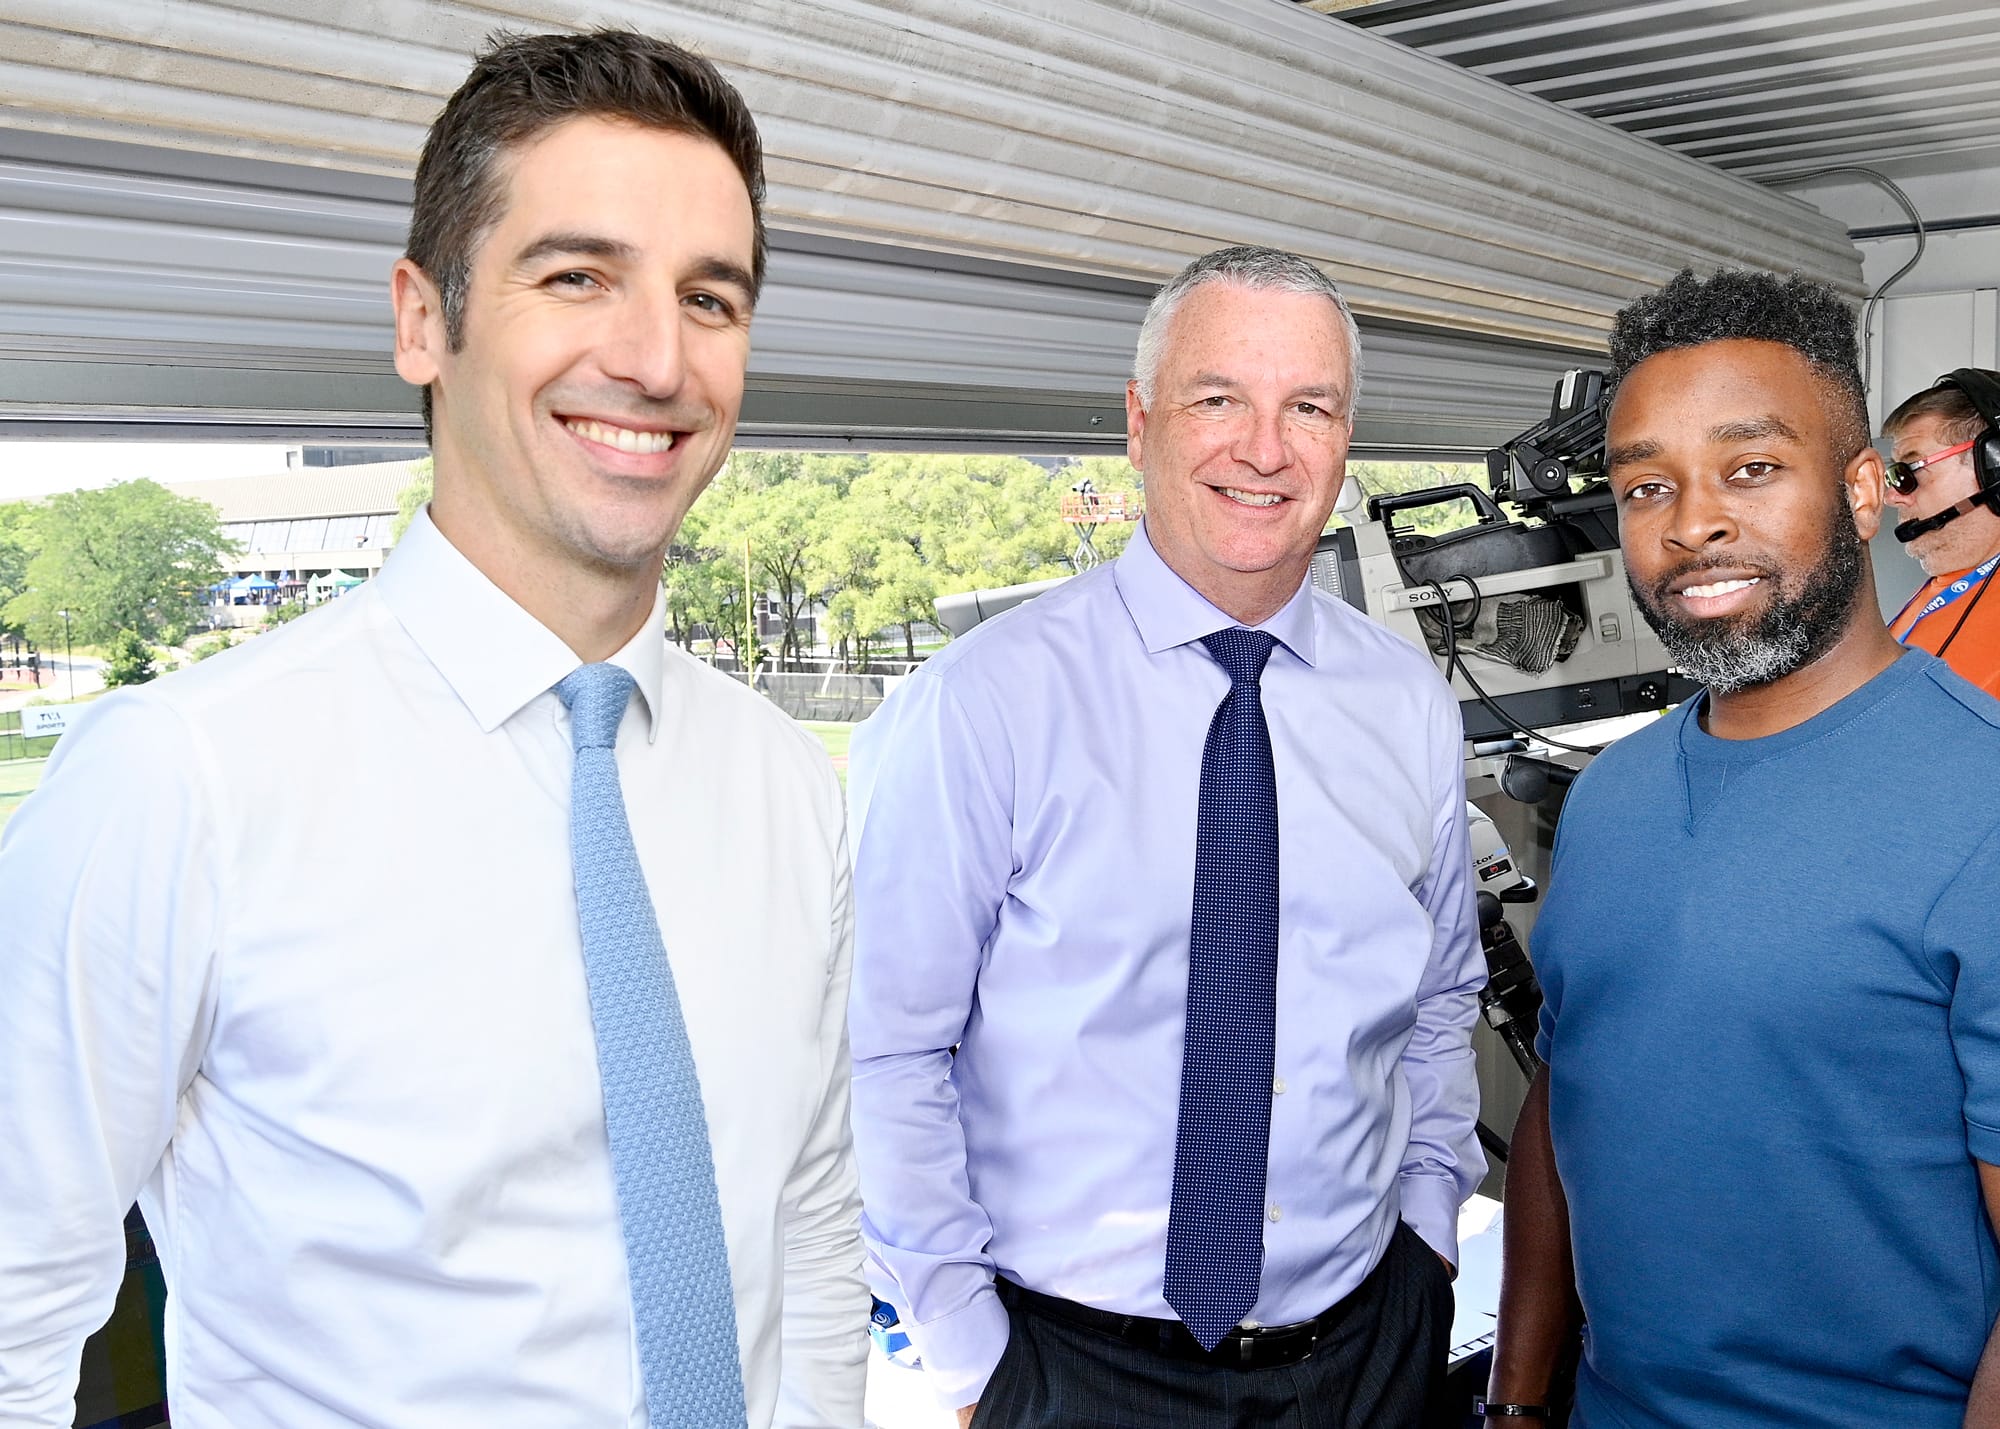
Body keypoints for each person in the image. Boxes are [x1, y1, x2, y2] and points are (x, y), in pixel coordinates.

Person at [0, 30, 864, 1429]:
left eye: (709, 298)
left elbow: (809, 1214)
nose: (656, 360)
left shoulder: (783, 782)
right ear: (423, 321)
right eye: (575, 276)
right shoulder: (182, 781)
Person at [849, 244, 1486, 1429]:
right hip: (1073, 1369)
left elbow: (1441, 997)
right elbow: (884, 1051)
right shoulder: (982, 704)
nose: (1264, 448)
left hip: (1366, 1351)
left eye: (1308, 407)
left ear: (1345, 440)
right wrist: (972, 1358)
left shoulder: (1406, 704)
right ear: (1138, 425)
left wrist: (1427, 1230)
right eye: (1217, 399)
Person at [1484, 269, 2000, 1428]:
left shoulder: (1981, 804)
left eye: (1750, 468)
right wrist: (1516, 1400)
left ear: (1861, 492)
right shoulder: (1607, 801)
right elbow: (1564, 1103)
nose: (1690, 523)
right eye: (1645, 485)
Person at [1881, 369, 2000, 697]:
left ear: (1993, 469)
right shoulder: (1937, 591)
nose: (1892, 496)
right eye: (1893, 476)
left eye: (1909, 471)